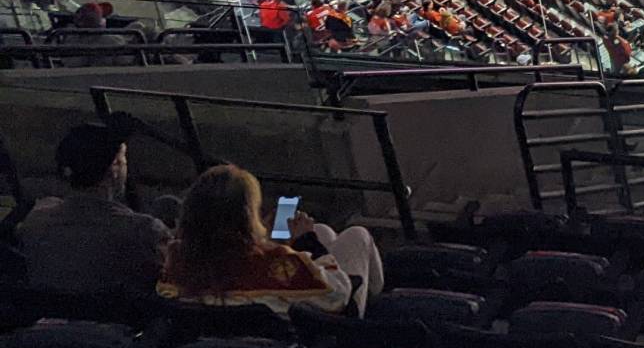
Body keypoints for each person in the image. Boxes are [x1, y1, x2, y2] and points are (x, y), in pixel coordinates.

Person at [156, 163, 384, 316]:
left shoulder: (177, 262)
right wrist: (307, 242)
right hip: (312, 336)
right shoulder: (275, 263)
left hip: (217, 341)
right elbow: (340, 294)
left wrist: (268, 243)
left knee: (324, 231)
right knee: (357, 235)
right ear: (247, 217)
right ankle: (378, 309)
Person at [17, 118, 172, 294]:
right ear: (114, 168)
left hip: (47, 316)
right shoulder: (143, 231)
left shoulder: (37, 220)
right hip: (119, 318)